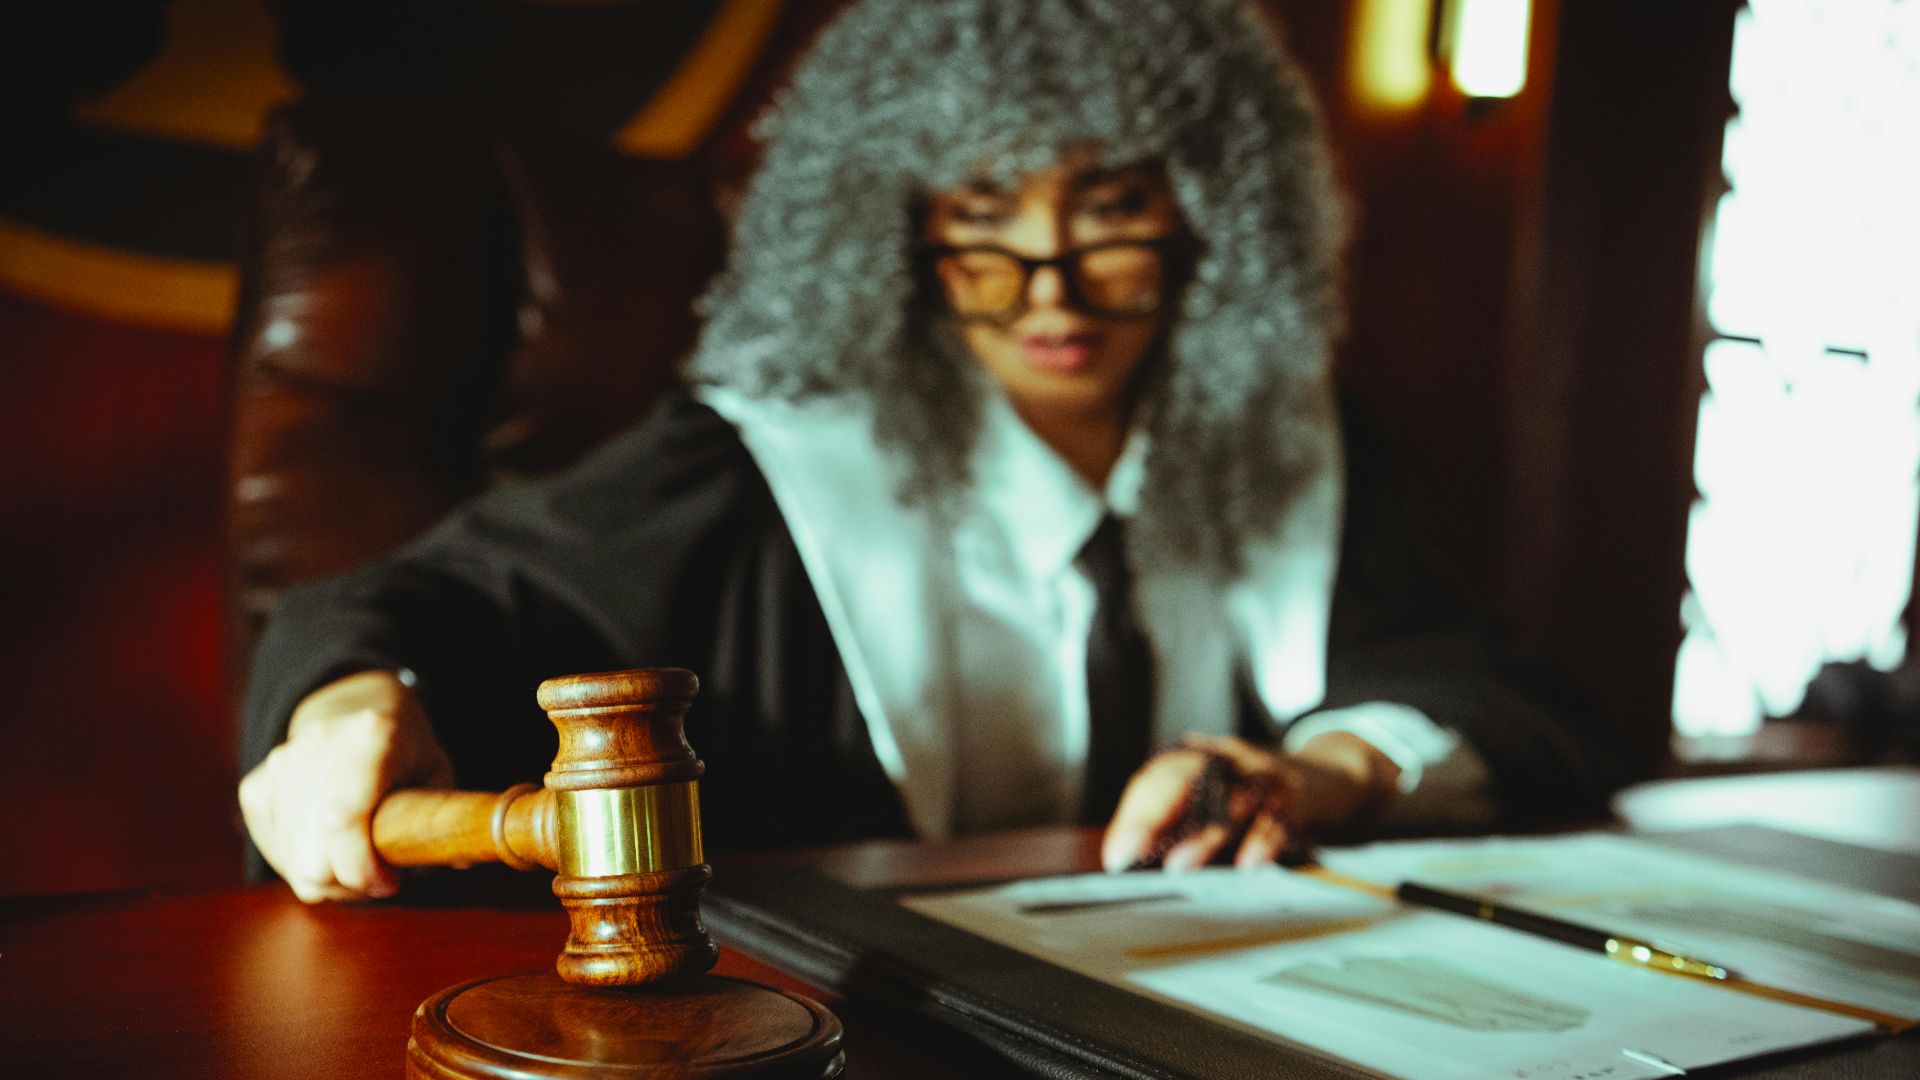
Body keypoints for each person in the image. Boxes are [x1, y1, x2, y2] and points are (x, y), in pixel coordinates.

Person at [238, 0, 1620, 903]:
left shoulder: (1301, 455)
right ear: (895, 230)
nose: (1051, 287)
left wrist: (1319, 772)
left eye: (1114, 210)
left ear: (1211, 217)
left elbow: (1502, 697)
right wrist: (352, 708)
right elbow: (413, 611)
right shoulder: (756, 465)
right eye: (984, 214)